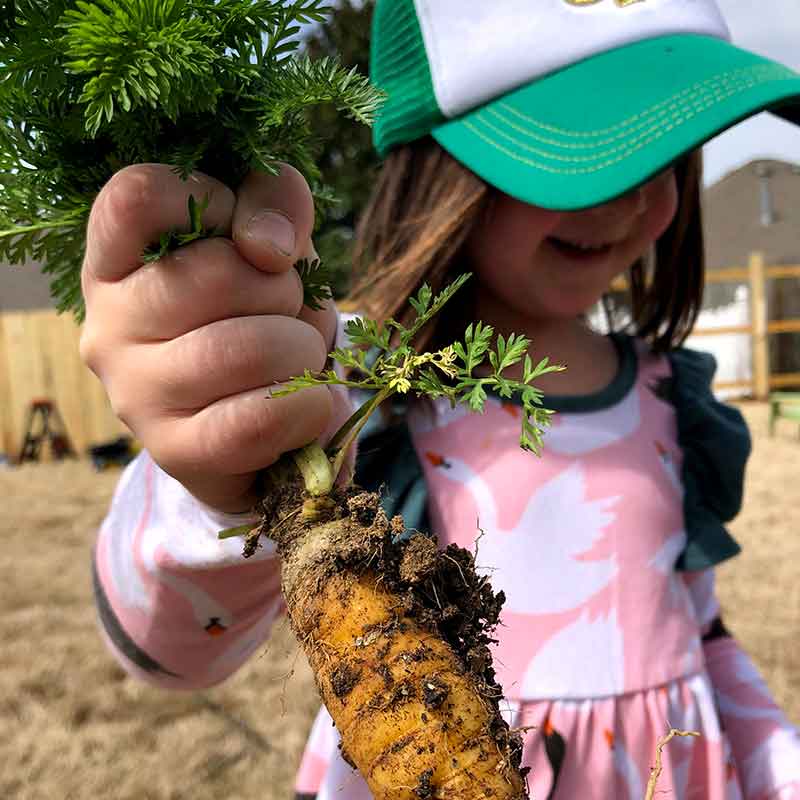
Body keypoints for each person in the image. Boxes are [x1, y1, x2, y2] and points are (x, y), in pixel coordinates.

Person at [83, 1, 800, 797]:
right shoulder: (356, 378)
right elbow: (171, 652)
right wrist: (218, 469)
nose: (627, 202)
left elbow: (700, 630)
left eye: (660, 156)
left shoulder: (671, 395)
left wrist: (779, 763)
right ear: (436, 171)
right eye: (589, 153)